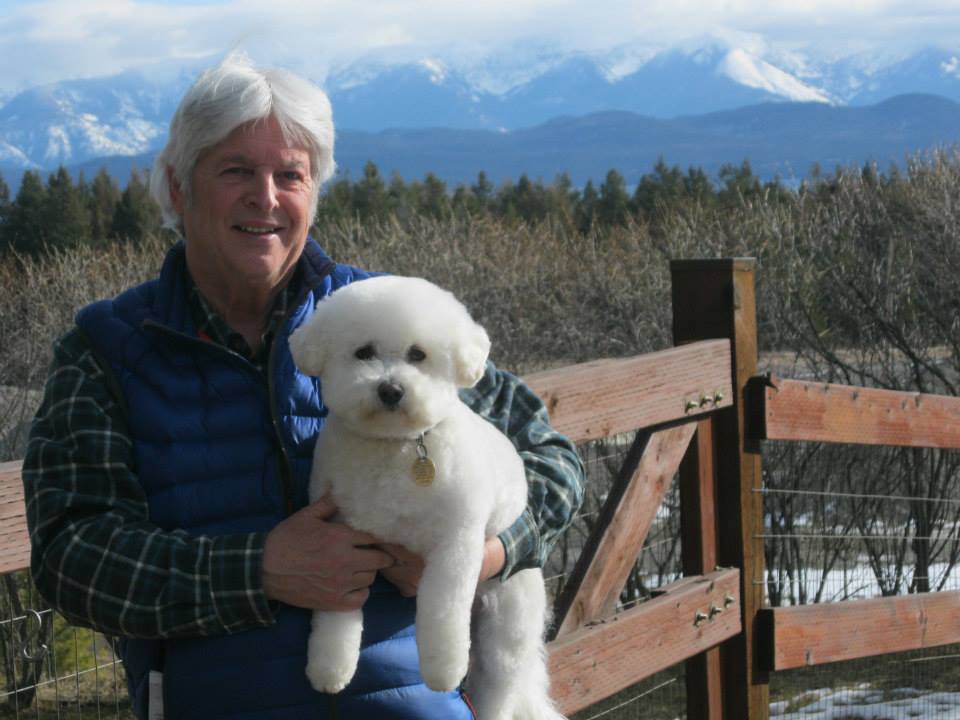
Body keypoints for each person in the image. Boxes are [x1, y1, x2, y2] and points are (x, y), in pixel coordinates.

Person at [23, 52, 585, 720]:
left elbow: (552, 462)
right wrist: (258, 570)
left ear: (313, 192)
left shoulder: (386, 316)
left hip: (419, 703)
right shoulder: (108, 350)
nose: (266, 197)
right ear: (177, 189)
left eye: (290, 174)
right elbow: (71, 556)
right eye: (236, 170)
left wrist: (484, 555)